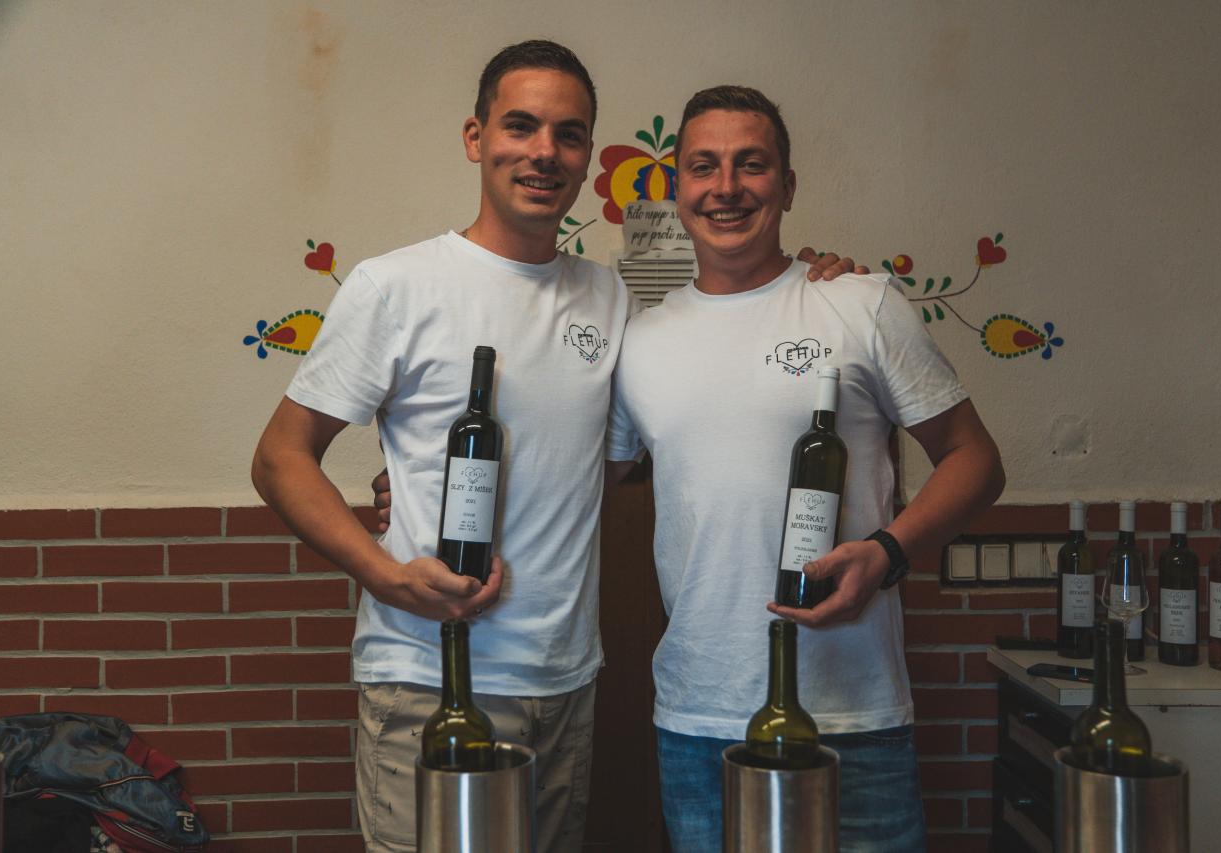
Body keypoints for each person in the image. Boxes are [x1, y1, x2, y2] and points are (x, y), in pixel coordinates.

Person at [252, 41, 859, 853]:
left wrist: (810, 287)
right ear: (476, 137)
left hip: (566, 682)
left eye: (568, 135)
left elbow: (608, 461)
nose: (544, 151)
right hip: (430, 676)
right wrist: (388, 575)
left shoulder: (607, 298)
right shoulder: (395, 286)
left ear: (587, 158)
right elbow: (281, 457)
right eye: (521, 126)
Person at [603, 86, 1005, 851]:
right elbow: (576, 474)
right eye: (704, 167)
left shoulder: (859, 303)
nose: (726, 187)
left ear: (787, 186)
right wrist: (413, 484)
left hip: (850, 715)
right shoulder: (642, 342)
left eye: (751, 165)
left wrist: (887, 552)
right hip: (698, 717)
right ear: (677, 188)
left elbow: (976, 460)